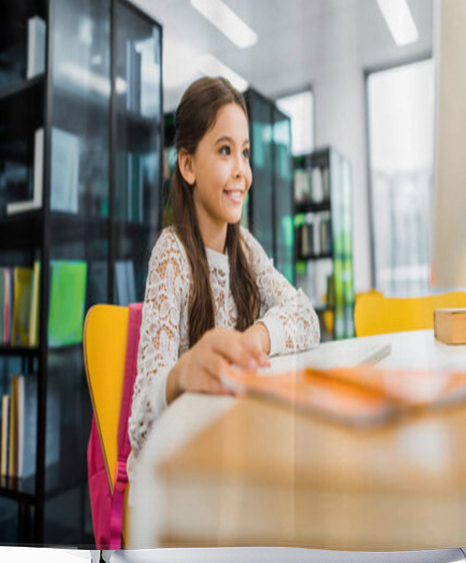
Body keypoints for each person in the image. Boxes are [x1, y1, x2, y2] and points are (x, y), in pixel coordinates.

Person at [127, 76, 321, 477]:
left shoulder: (244, 247)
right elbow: (140, 429)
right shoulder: (171, 254)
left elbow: (306, 316)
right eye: (225, 151)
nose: (241, 171)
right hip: (174, 478)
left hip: (223, 456)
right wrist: (181, 373)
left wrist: (254, 340)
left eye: (245, 153)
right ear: (187, 165)